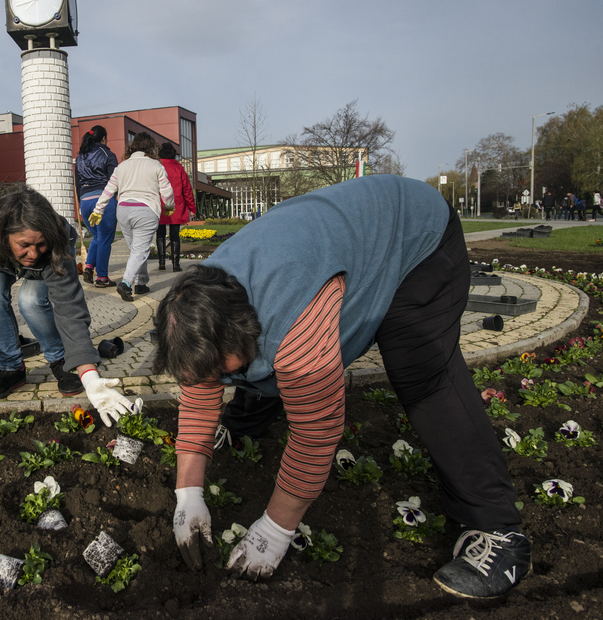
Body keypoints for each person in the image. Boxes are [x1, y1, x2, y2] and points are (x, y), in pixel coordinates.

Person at [153, 175, 530, 599]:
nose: (215, 383)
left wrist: (275, 529)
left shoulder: (294, 332)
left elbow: (316, 435)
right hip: (336, 239)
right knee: (250, 369)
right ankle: (247, 421)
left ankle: (497, 531)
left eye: (223, 373)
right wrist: (188, 494)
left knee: (423, 374)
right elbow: (201, 388)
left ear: (245, 331)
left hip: (417, 238)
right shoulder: (201, 299)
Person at [0, 184, 133, 419]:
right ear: (3, 234)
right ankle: (11, 368)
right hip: (2, 260)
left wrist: (89, 376)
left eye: (39, 244)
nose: (33, 253)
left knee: (30, 299)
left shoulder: (55, 239)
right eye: (25, 245)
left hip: (46, 264)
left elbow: (69, 307)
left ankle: (61, 360)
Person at [88, 132, 174, 301]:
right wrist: (169, 206)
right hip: (146, 209)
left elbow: (109, 189)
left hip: (124, 210)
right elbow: (166, 190)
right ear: (151, 147)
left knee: (136, 250)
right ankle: (127, 283)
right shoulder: (156, 165)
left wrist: (98, 210)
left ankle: (141, 283)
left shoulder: (122, 166)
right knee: (140, 250)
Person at [75, 125, 120, 288]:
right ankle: (101, 277)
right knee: (105, 239)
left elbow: (77, 183)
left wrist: (81, 203)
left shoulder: (80, 157)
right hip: (103, 200)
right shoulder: (108, 154)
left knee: (97, 237)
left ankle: (88, 267)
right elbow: (114, 181)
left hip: (85, 201)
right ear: (103, 139)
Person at [156, 142, 196, 272]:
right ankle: (176, 264)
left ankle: (161, 261)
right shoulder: (179, 169)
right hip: (176, 206)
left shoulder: (156, 167)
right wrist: (192, 208)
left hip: (160, 205)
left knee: (160, 234)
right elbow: (187, 191)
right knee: (175, 236)